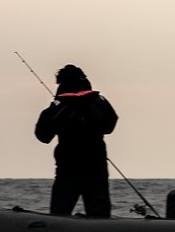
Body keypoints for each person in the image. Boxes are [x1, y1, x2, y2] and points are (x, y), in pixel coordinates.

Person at [34, 64, 118, 217]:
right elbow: (109, 126)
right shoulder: (100, 102)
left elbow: (43, 136)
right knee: (100, 214)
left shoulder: (58, 107)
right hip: (96, 166)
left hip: (68, 168)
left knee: (60, 213)